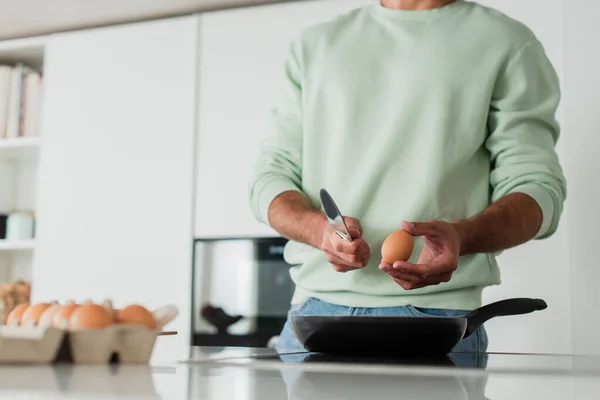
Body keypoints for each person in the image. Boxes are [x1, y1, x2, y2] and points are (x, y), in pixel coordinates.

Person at [248, 0, 566, 353]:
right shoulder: (314, 46)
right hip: (314, 319)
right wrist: (319, 231)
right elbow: (271, 176)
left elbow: (537, 189)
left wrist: (462, 237)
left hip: (440, 323)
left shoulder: (507, 42)